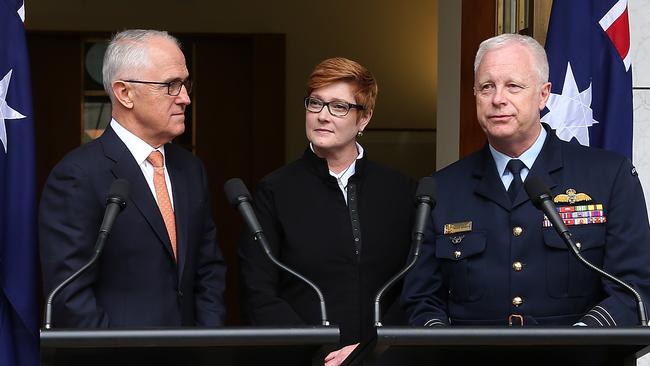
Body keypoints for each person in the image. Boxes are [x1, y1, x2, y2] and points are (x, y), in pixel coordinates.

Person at [402, 33, 650, 327]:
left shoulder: (608, 176)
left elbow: (634, 287)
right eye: (486, 87)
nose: (498, 99)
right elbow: (420, 299)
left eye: (513, 86)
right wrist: (444, 342)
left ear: (543, 95)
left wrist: (579, 339)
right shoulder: (441, 188)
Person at [39, 29, 226, 328]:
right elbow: (69, 294)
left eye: (185, 83)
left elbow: (209, 271)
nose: (185, 98)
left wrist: (208, 343)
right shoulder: (78, 175)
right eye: (171, 85)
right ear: (125, 93)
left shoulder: (190, 170)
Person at [238, 57, 415, 365]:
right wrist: (318, 353)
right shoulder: (274, 190)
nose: (322, 116)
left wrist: (369, 351)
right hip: (303, 359)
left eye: (338, 107)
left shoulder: (401, 190)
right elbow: (258, 290)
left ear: (364, 118)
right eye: (315, 104)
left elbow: (414, 285)